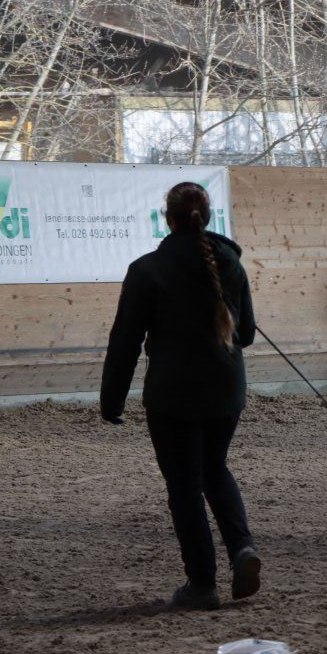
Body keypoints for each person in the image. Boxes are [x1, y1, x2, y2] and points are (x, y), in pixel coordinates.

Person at [100, 182, 260, 610]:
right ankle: (242, 549)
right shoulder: (232, 265)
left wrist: (111, 401)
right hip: (227, 391)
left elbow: (125, 341)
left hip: (173, 395)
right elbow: (244, 334)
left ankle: (202, 584)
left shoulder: (147, 269)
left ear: (167, 219)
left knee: (185, 486)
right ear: (206, 217)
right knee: (215, 469)